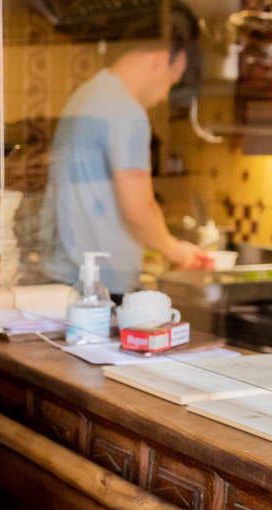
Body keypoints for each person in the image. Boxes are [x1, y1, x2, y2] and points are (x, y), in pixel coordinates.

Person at [43, 0, 215, 293]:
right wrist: (175, 249)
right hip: (103, 285)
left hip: (66, 274)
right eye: (173, 80)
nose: (165, 95)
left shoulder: (87, 95)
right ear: (160, 57)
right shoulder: (126, 113)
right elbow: (138, 209)